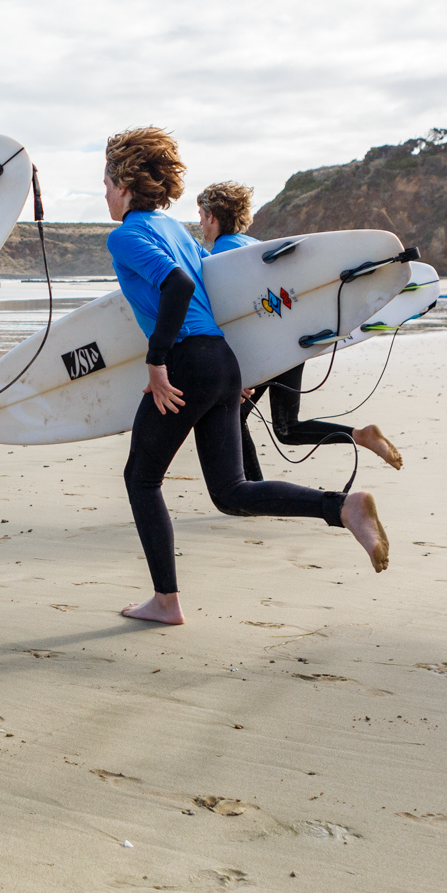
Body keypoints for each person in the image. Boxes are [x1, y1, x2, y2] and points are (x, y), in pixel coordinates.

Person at [106, 131, 390, 627]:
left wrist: (156, 363)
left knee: (141, 478)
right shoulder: (177, 231)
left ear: (126, 186)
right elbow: (224, 299)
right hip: (221, 359)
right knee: (232, 490)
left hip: (186, 361)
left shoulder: (127, 234)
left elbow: (177, 285)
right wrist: (236, 373)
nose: (105, 193)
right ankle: (342, 507)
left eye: (107, 183)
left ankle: (166, 601)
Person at [192, 182, 405, 479]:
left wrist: (236, 372)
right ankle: (359, 435)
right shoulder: (258, 247)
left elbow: (234, 322)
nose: (200, 222)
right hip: (290, 346)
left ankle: (254, 489)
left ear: (213, 216)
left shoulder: (218, 262)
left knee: (236, 417)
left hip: (262, 354)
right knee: (287, 427)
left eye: (201, 214)